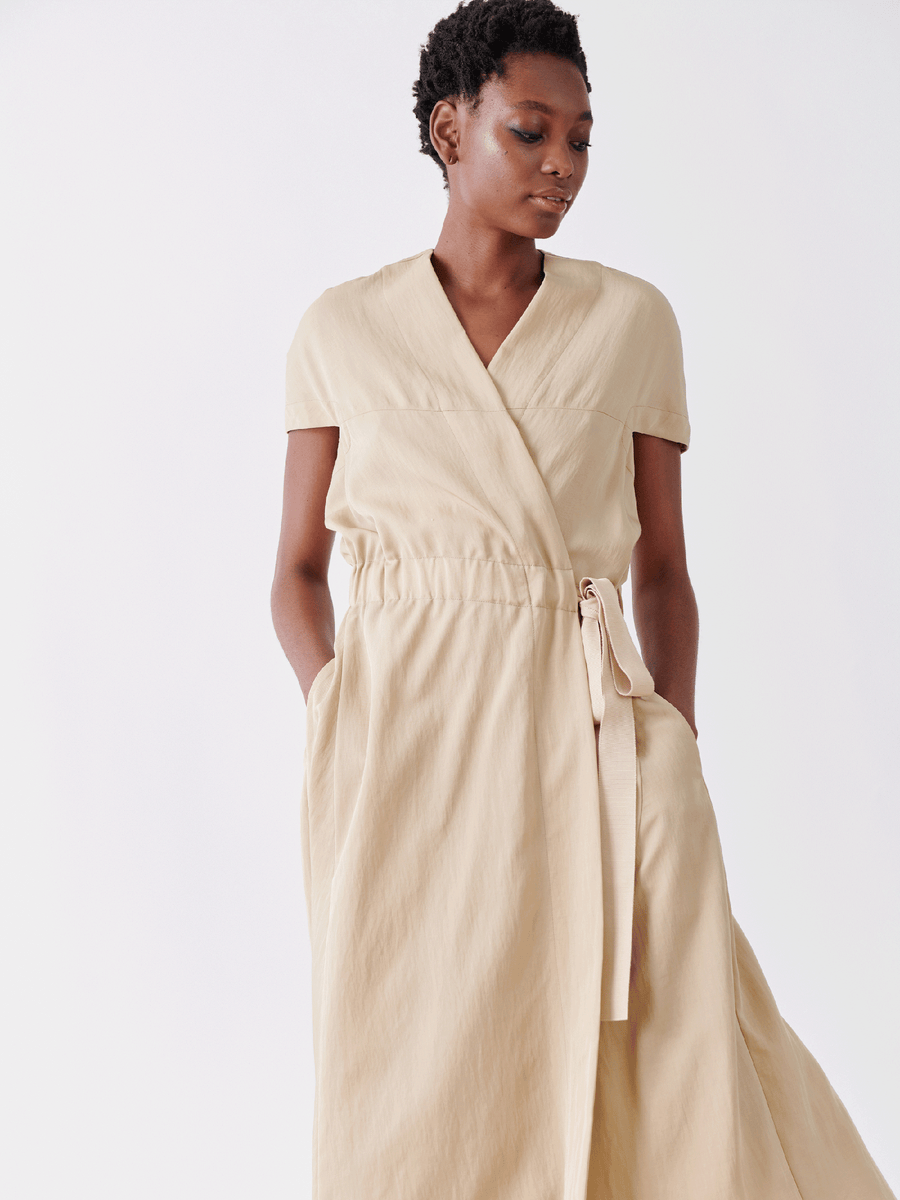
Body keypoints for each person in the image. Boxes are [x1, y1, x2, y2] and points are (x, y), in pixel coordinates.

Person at [270, 2, 897, 1197]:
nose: (563, 164)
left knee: (677, 1040)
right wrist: (339, 706)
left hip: (598, 729)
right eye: (531, 131)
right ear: (451, 130)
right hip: (405, 739)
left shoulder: (631, 322)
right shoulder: (341, 331)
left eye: (582, 139)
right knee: (417, 1055)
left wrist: (678, 743)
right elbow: (294, 573)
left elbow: (663, 568)